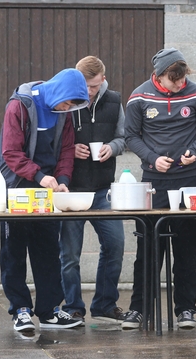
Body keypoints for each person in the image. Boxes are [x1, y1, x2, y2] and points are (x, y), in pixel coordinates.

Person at [122, 48, 196, 330]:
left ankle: (185, 309)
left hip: (189, 180)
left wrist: (194, 152)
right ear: (159, 75)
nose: (178, 84)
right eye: (172, 80)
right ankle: (139, 309)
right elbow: (130, 136)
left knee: (187, 250)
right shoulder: (139, 97)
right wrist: (152, 158)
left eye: (181, 79)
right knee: (148, 249)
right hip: (154, 181)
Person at [0, 68, 89, 331]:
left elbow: (66, 151)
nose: (68, 107)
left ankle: (49, 311)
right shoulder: (20, 105)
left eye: (73, 104)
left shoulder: (64, 113)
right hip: (17, 186)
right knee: (14, 250)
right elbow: (11, 152)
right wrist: (39, 176)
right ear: (58, 91)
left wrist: (63, 181)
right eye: (68, 101)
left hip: (46, 188)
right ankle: (21, 310)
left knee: (48, 250)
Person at [59, 56, 127, 326]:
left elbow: (124, 136)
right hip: (71, 190)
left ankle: (104, 305)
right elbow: (53, 142)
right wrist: (70, 150)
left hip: (103, 190)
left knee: (115, 246)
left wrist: (114, 147)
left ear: (103, 79)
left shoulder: (114, 100)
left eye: (96, 86)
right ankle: (73, 307)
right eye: (86, 87)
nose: (90, 92)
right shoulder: (66, 102)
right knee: (69, 255)